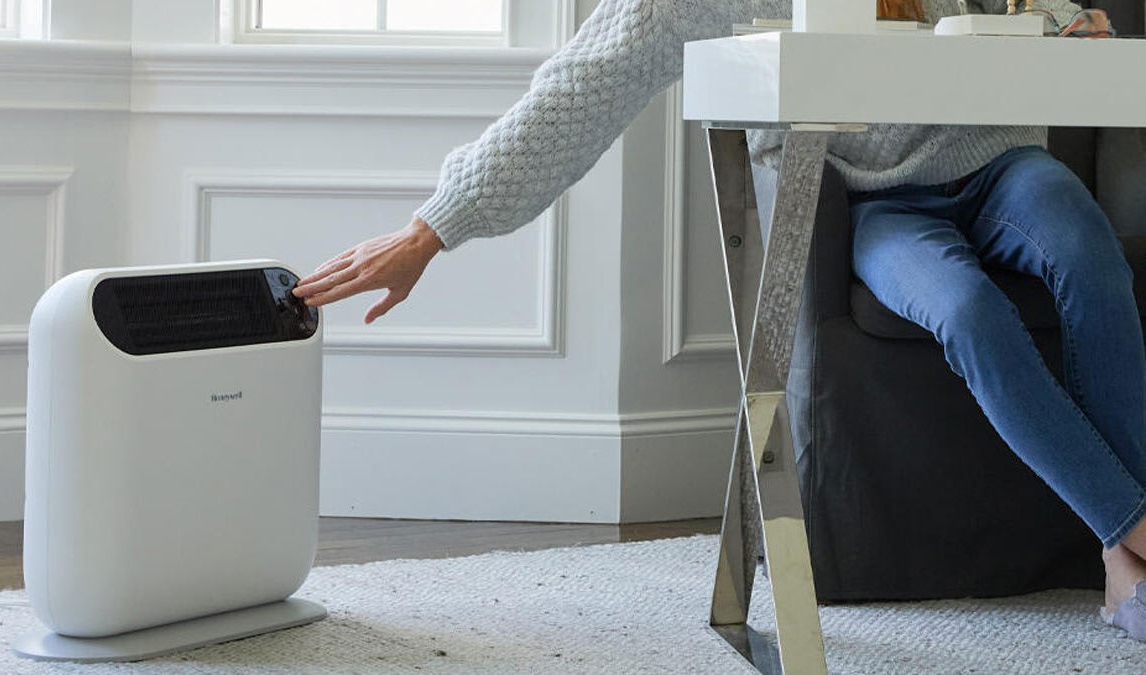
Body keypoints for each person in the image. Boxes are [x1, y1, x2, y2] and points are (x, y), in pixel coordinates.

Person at [292, 0, 1146, 638]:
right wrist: (433, 228)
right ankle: (1132, 535)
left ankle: (1122, 561)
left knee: (1091, 257)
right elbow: (580, 90)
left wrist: (1065, 26)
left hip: (1000, 160)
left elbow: (1012, 19)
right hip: (879, 206)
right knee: (968, 312)